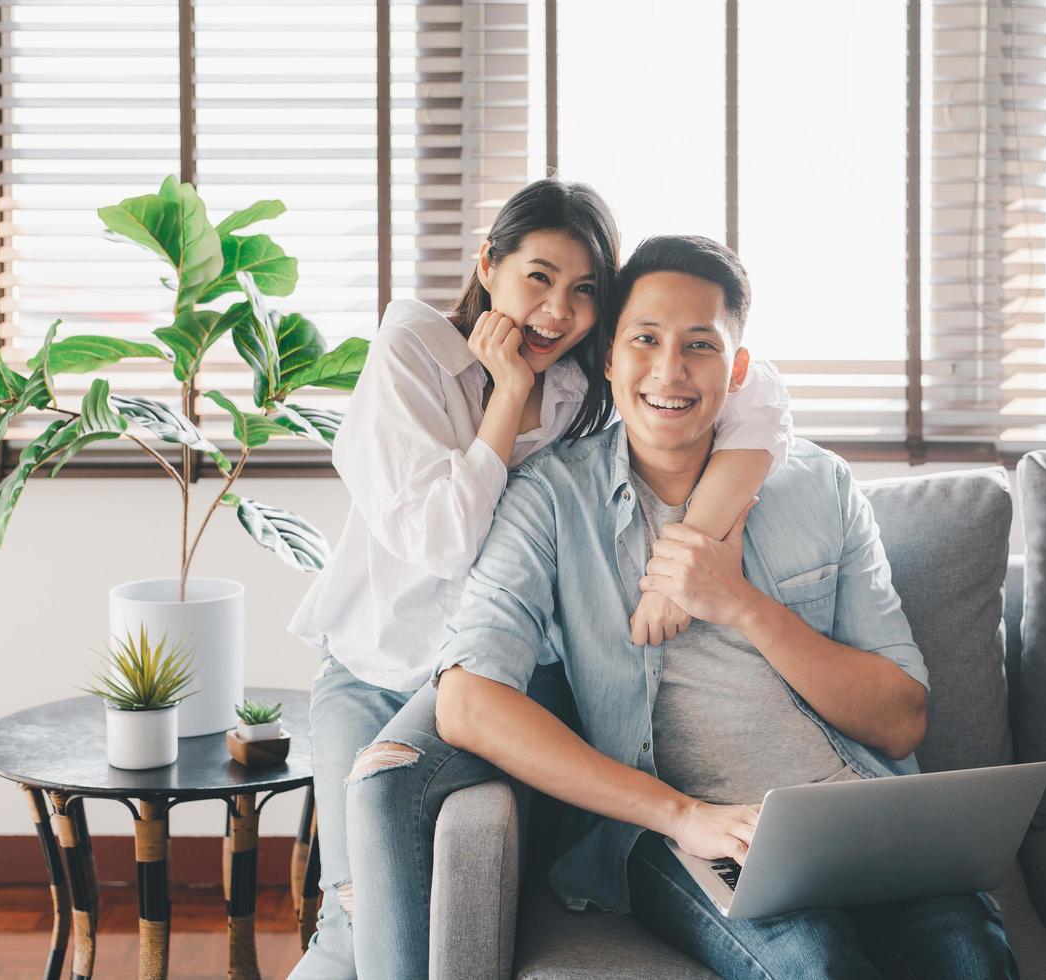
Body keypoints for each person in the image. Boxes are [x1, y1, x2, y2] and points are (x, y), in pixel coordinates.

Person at [349, 236, 1017, 979]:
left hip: (867, 817)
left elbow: (900, 720)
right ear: (607, 356)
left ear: (736, 372)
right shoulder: (548, 498)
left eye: (699, 346)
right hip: (687, 837)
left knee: (973, 961)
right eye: (645, 340)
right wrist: (682, 815)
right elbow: (467, 703)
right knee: (816, 968)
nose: (669, 372)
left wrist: (739, 604)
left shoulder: (818, 486)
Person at [287, 182, 791, 979]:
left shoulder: (579, 384)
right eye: (538, 278)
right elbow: (442, 539)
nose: (558, 312)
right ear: (488, 264)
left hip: (499, 673)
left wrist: (689, 550)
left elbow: (757, 394)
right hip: (372, 665)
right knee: (343, 922)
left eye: (585, 290)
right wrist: (507, 394)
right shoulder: (413, 348)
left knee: (388, 845)